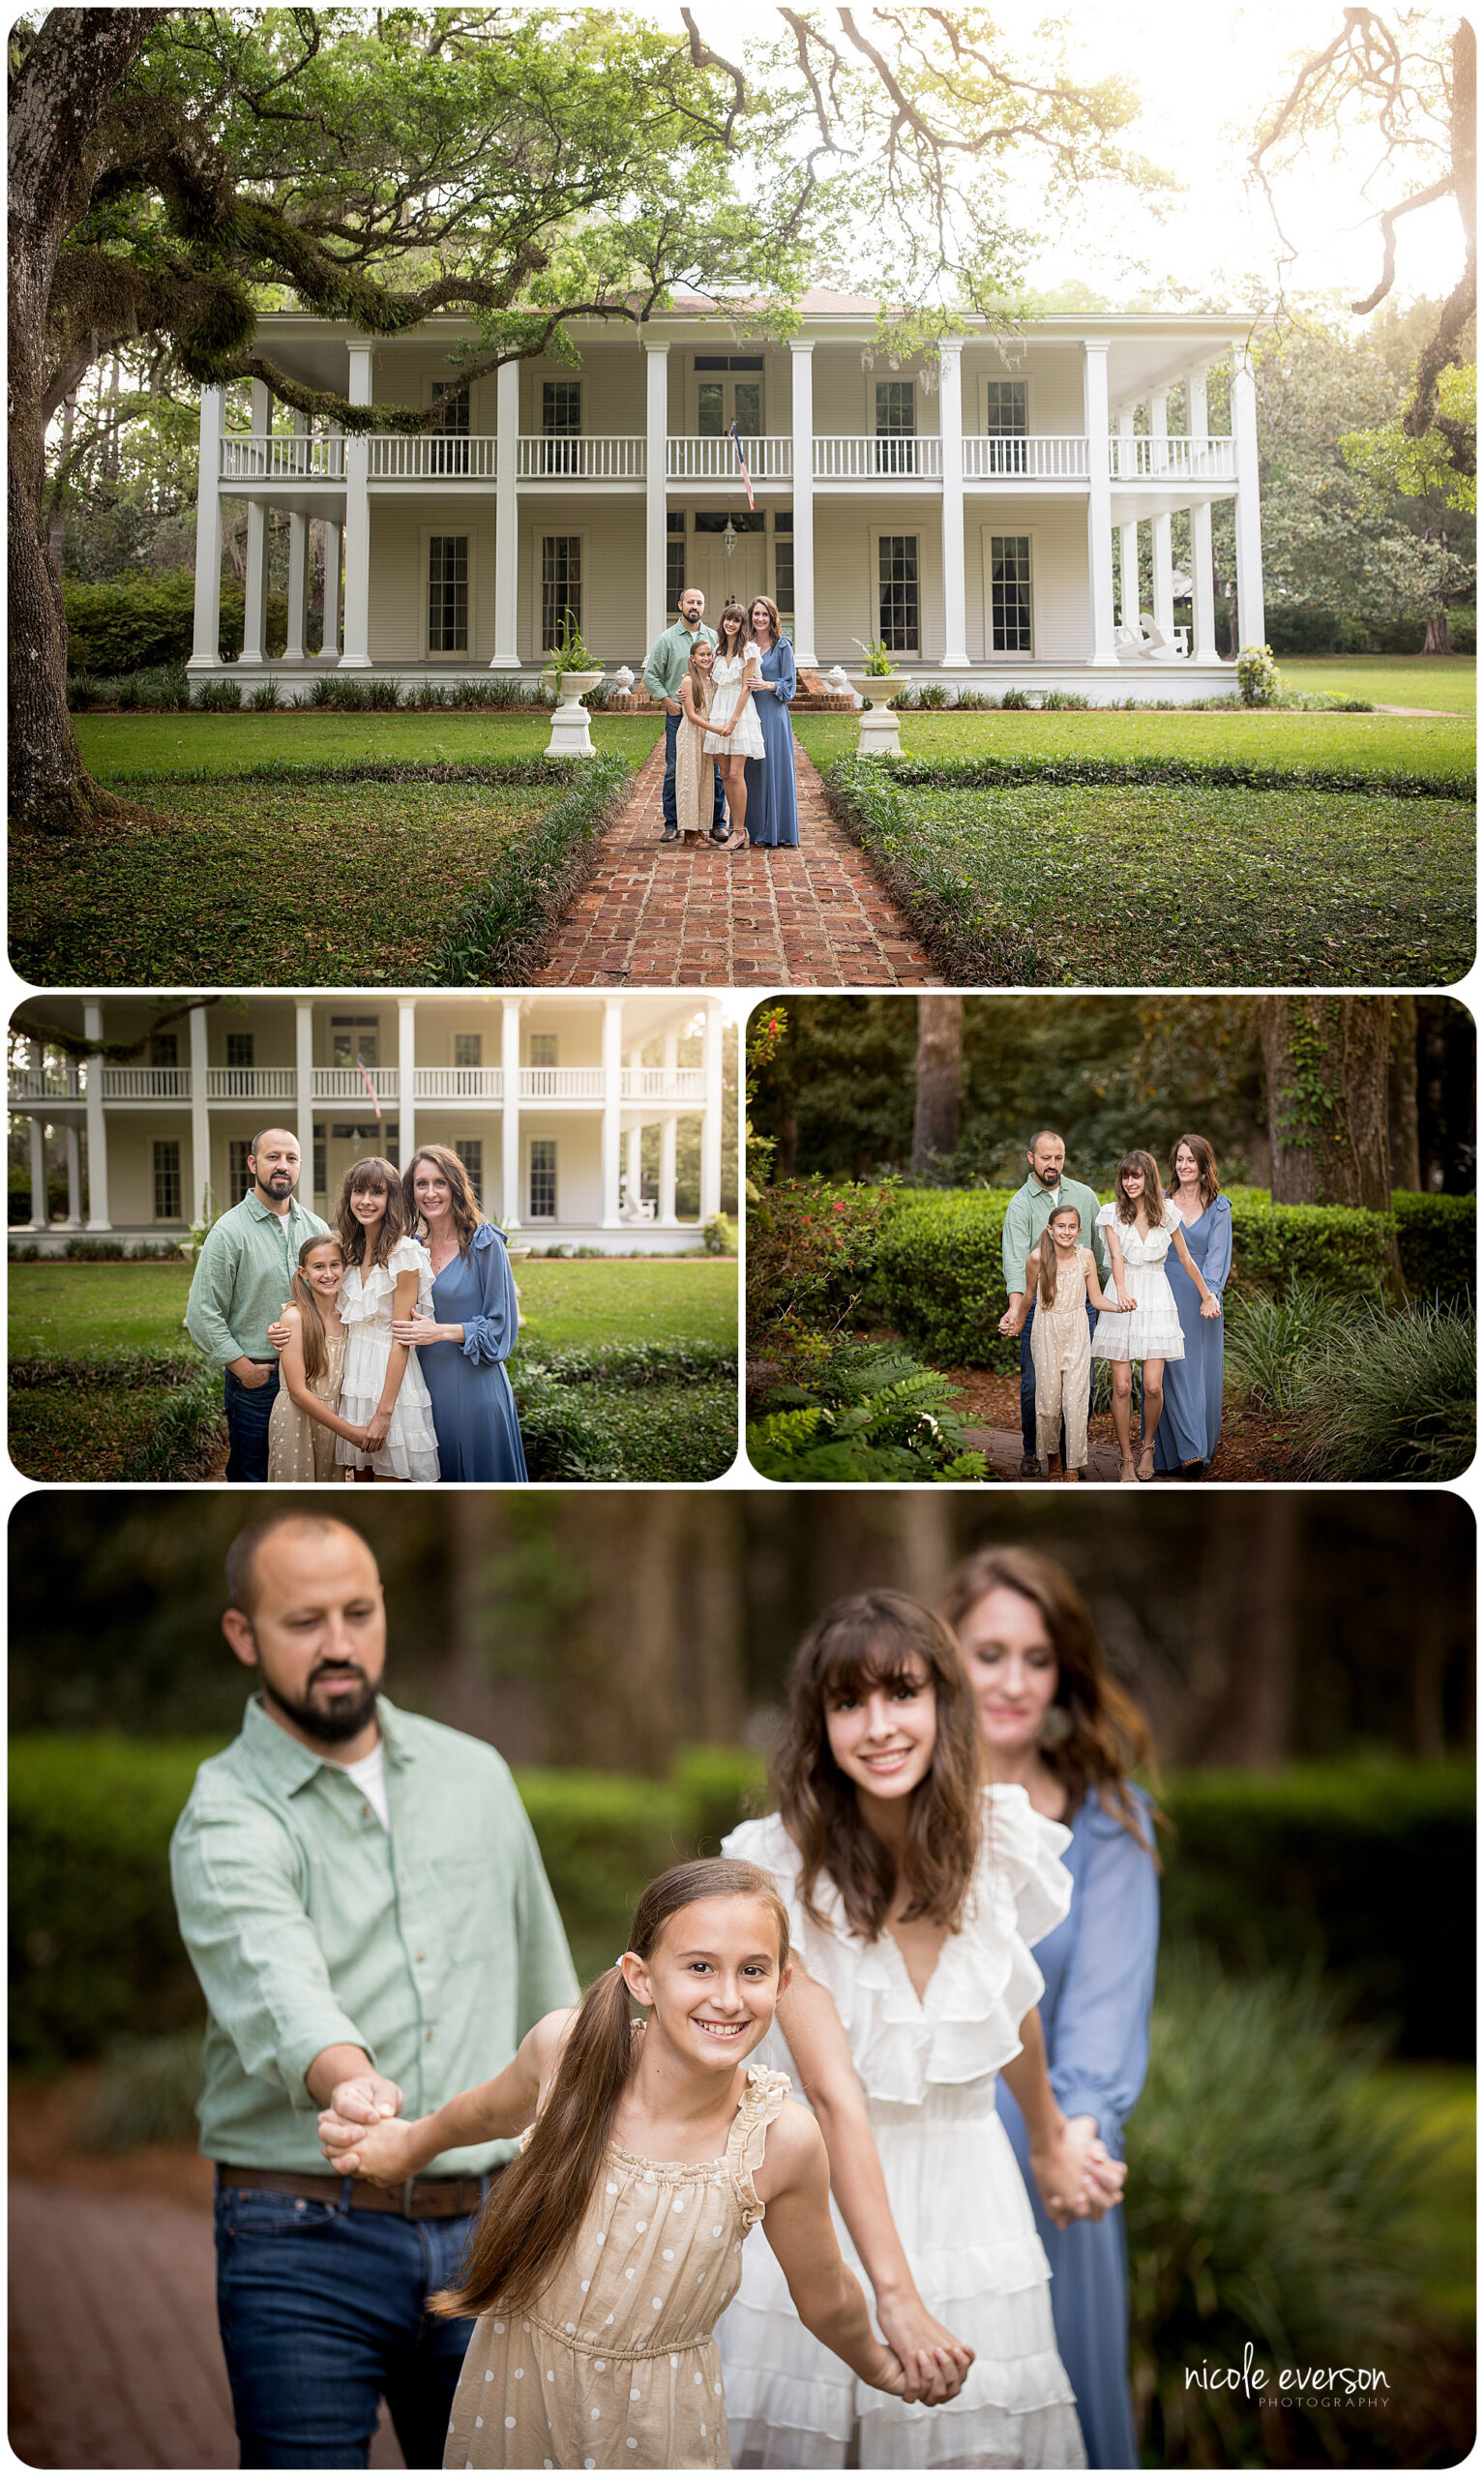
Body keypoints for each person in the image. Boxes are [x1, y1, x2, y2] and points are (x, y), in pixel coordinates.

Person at [168, 1510, 579, 2467]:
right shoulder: (225, 1813)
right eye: (304, 1621)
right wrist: (353, 2086)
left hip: (491, 2229)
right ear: (244, 1636)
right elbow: (278, 1981)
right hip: (302, 2238)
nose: (340, 1644)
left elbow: (547, 1989)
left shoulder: (475, 1775)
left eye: (358, 1611)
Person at [319, 1860, 932, 2472]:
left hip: (658, 2425)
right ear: (641, 1978)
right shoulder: (568, 2053)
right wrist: (407, 2147)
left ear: (782, 1982)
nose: (727, 1998)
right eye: (699, 1967)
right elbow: (480, 2113)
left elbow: (827, 2293)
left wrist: (879, 2364)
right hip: (518, 2395)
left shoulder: (779, 2138)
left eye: (753, 1971)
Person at [720, 1589, 1126, 2469]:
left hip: (973, 2196)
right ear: (818, 1724)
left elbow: (1005, 2002)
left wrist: (1051, 2141)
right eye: (848, 1703)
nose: (879, 1726)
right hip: (817, 2204)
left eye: (902, 1693)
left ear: (943, 1702)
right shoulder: (773, 1870)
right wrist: (890, 2297)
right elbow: (832, 2098)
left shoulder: (999, 1841)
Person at [943, 1546, 1160, 2472]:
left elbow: (1106, 2012)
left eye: (1038, 1659)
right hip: (915, 2165)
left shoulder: (1112, 1820)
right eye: (990, 1653)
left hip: (1056, 2159)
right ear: (944, 1656)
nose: (1014, 1682)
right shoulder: (895, 1801)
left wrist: (1075, 2140)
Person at [186, 1127, 329, 1481]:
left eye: (291, 1159)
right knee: (253, 1474)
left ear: (299, 1167)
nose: (283, 1166)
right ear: (253, 1164)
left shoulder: (316, 1227)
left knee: (307, 1472)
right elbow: (202, 1314)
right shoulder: (229, 1232)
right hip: (257, 1382)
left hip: (312, 1376)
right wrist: (243, 1369)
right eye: (273, 1157)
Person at [391, 1145, 528, 1482]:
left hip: (476, 1390)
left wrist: (441, 1332)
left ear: (455, 1186)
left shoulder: (485, 1243)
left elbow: (502, 1329)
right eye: (421, 1184)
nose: (430, 1192)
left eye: (440, 1182)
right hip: (424, 1391)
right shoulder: (409, 1247)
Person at [1092, 1150, 1221, 1483]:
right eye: (1125, 1176)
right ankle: (1124, 1458)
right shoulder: (1111, 1214)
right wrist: (1120, 1291)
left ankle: (1148, 1446)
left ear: (1149, 1178)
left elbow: (1186, 1259)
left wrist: (1207, 1293)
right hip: (1123, 1297)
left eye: (1137, 1176)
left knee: (1152, 1386)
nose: (1131, 1182)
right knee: (1121, 1387)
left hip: (1157, 1296)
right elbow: (1116, 1259)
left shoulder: (1167, 1214)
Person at [997, 1132, 1104, 1481]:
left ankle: (1072, 1458)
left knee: (1078, 1388)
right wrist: (1016, 1310)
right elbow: (1016, 1263)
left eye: (1058, 1158)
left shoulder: (1086, 1197)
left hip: (1080, 1309)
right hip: (1040, 1310)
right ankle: (1033, 1451)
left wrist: (1105, 1302)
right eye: (1045, 1158)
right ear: (1031, 1159)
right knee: (1035, 1387)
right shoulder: (1021, 1204)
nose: (1052, 1165)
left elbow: (1100, 1258)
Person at [1000, 1205, 1131, 1480]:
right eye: (1061, 1226)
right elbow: (1028, 1297)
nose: (1066, 1231)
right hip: (1046, 1329)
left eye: (1072, 1227)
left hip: (1077, 1330)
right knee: (1048, 1403)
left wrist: (1120, 1306)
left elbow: (1094, 1299)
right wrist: (1018, 1322)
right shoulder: (1037, 1258)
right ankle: (1054, 1460)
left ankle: (1072, 1464)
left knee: (1076, 1400)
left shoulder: (1085, 1257)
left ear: (1079, 1231)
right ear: (1050, 1229)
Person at [333, 1155, 440, 1483]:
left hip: (390, 1383)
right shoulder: (347, 1252)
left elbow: (402, 1337)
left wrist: (384, 1413)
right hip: (353, 1380)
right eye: (358, 1191)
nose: (365, 1201)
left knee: (390, 1483)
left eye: (376, 1193)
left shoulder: (404, 1253)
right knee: (361, 1481)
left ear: (390, 1199)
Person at [1154, 1135, 1232, 1478]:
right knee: (1171, 1371)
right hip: (1163, 1292)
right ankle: (1185, 1453)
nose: (1184, 1166)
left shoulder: (1219, 1207)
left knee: (1199, 1375)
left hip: (1203, 1300)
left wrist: (1209, 1295)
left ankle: (1198, 1448)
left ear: (1203, 1165)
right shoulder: (1160, 1201)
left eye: (1191, 1160)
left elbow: (1218, 1256)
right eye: (1179, 1159)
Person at [266, 1233, 368, 1481]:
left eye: (335, 1265)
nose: (328, 1274)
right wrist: (351, 1433)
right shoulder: (295, 1318)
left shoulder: (347, 1315)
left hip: (331, 1420)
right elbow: (298, 1392)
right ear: (303, 1272)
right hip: (298, 1419)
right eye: (319, 1267)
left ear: (344, 1267)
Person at [642, 585, 726, 846]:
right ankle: (672, 824)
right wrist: (667, 701)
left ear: (703, 607)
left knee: (713, 770)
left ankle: (715, 824)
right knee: (676, 769)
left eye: (699, 602)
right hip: (680, 716)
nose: (695, 607)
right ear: (680, 605)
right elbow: (651, 675)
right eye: (690, 602)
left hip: (709, 717)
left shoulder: (713, 637)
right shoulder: (667, 639)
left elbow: (720, 672)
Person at [704, 602, 765, 853]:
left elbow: (746, 687)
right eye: (728, 619)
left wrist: (733, 721)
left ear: (742, 625)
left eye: (736, 620)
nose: (731, 624)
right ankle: (735, 831)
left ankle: (739, 831)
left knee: (736, 774)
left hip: (740, 713)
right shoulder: (718, 651)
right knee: (724, 774)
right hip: (719, 709)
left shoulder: (749, 650)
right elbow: (707, 679)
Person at [742, 594, 799, 850]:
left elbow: (790, 686)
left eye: (765, 614)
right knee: (752, 770)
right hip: (750, 714)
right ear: (750, 617)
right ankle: (752, 829)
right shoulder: (746, 644)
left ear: (772, 617)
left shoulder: (783, 645)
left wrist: (768, 684)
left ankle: (777, 830)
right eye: (756, 614)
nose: (760, 619)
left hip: (774, 715)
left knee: (774, 769)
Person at [675, 638, 722, 847]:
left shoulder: (712, 681)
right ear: (693, 658)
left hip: (707, 735)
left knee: (705, 780)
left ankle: (701, 827)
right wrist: (716, 730)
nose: (706, 658)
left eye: (709, 654)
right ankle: (689, 832)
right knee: (689, 780)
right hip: (692, 734)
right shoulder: (688, 681)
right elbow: (692, 715)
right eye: (701, 655)